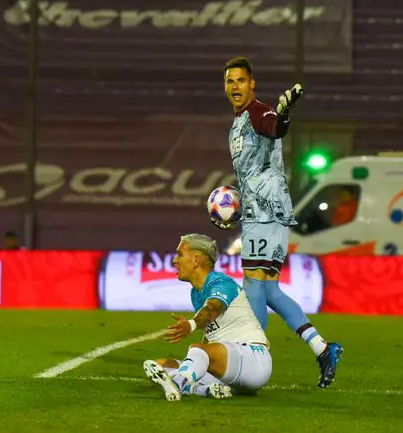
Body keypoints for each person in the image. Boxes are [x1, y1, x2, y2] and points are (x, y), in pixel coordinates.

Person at [213, 56, 343, 388]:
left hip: (268, 211)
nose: (235, 87)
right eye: (229, 81)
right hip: (262, 210)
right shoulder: (239, 121)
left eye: (240, 80)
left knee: (254, 284)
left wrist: (283, 115)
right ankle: (323, 348)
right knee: (269, 288)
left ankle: (250, 356)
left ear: (251, 83)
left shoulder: (259, 112)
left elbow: (275, 126)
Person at [143, 233, 272, 401]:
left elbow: (213, 308)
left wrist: (190, 325)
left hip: (253, 360)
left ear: (196, 260)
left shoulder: (221, 282)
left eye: (180, 254)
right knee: (163, 365)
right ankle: (204, 390)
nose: (175, 260)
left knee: (197, 350)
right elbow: (213, 335)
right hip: (230, 367)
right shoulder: (196, 293)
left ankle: (179, 384)